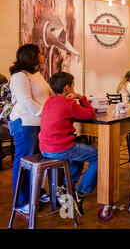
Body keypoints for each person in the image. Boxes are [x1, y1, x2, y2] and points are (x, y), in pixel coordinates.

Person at [38, 72, 97, 216]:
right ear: (67, 87)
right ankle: (80, 193)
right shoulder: (69, 103)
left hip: (44, 147)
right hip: (60, 148)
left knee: (79, 153)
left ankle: (66, 187)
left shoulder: (49, 101)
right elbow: (90, 114)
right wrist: (81, 98)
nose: (74, 87)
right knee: (99, 156)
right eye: (73, 85)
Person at [8, 44, 53, 214]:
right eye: (40, 53)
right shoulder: (19, 76)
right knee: (23, 162)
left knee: (37, 161)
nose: (42, 55)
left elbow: (49, 95)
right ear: (31, 56)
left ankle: (37, 192)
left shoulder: (37, 75)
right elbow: (26, 102)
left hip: (39, 123)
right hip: (25, 123)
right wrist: (48, 112)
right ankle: (21, 201)